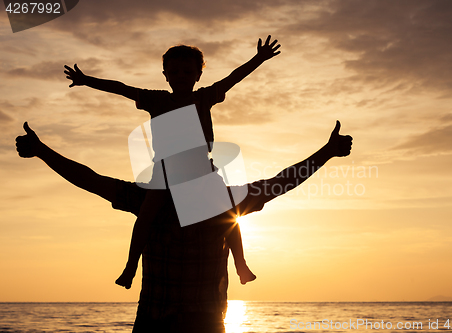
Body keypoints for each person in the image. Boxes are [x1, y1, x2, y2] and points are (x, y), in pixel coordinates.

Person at [16, 120, 352, 333]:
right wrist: (42, 151)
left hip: (200, 320)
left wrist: (327, 152)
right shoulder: (151, 199)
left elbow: (282, 182)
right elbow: (90, 179)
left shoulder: (223, 199)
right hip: (156, 319)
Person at [64, 36, 282, 288]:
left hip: (201, 170)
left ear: (198, 75)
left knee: (227, 213)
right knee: (145, 215)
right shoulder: (156, 100)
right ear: (165, 74)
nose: (180, 76)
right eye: (175, 71)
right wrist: (85, 80)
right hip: (166, 170)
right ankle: (130, 267)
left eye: (187, 71)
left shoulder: (204, 97)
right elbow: (121, 87)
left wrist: (258, 58)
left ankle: (241, 265)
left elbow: (233, 78)